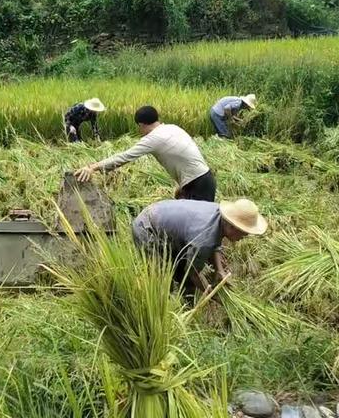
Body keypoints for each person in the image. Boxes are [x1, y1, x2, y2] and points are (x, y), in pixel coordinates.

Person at [75, 105, 216, 202]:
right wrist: (182, 184)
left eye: (139, 127)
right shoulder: (172, 127)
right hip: (205, 178)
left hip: (197, 184)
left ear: (141, 125)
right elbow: (186, 155)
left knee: (199, 228)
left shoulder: (153, 138)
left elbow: (124, 157)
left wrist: (93, 167)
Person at [132, 198, 268, 292]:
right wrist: (208, 292)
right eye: (243, 233)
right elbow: (192, 272)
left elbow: (215, 240)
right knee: (160, 279)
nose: (244, 237)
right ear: (232, 226)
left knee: (176, 270)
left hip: (161, 213)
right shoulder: (203, 239)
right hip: (148, 227)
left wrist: (219, 270)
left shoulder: (220, 216)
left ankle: (184, 293)